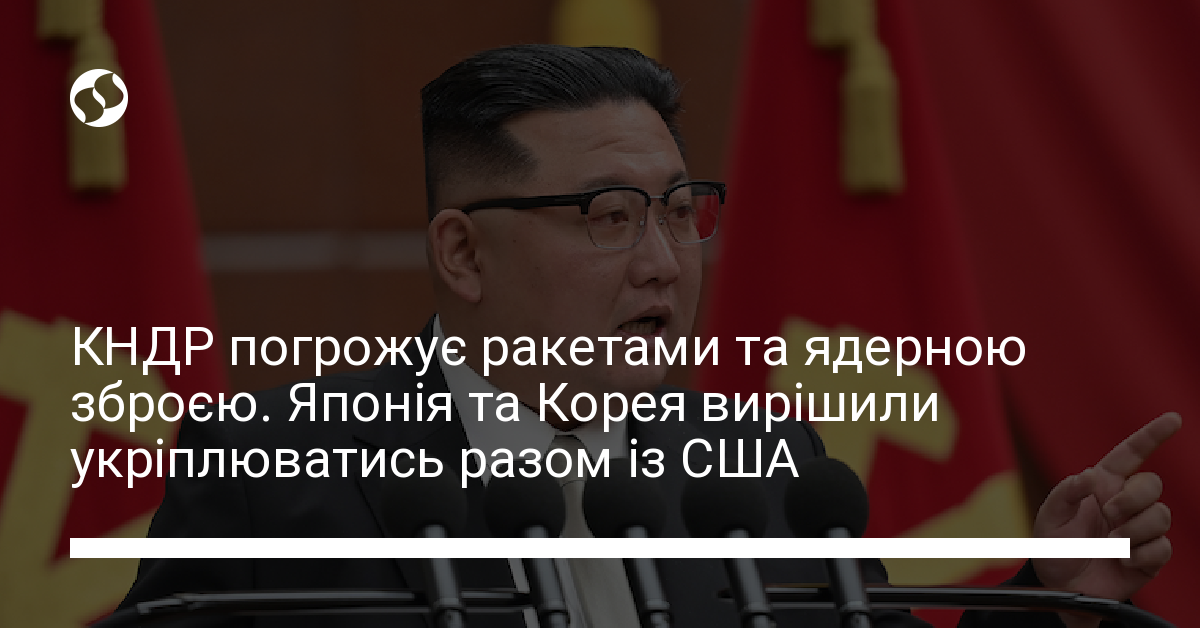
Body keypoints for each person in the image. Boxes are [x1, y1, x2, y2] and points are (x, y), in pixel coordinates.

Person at [119, 45, 1178, 628]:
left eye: (680, 212)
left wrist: (1052, 602)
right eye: (610, 216)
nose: (665, 262)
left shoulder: (760, 468)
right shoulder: (277, 472)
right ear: (463, 253)